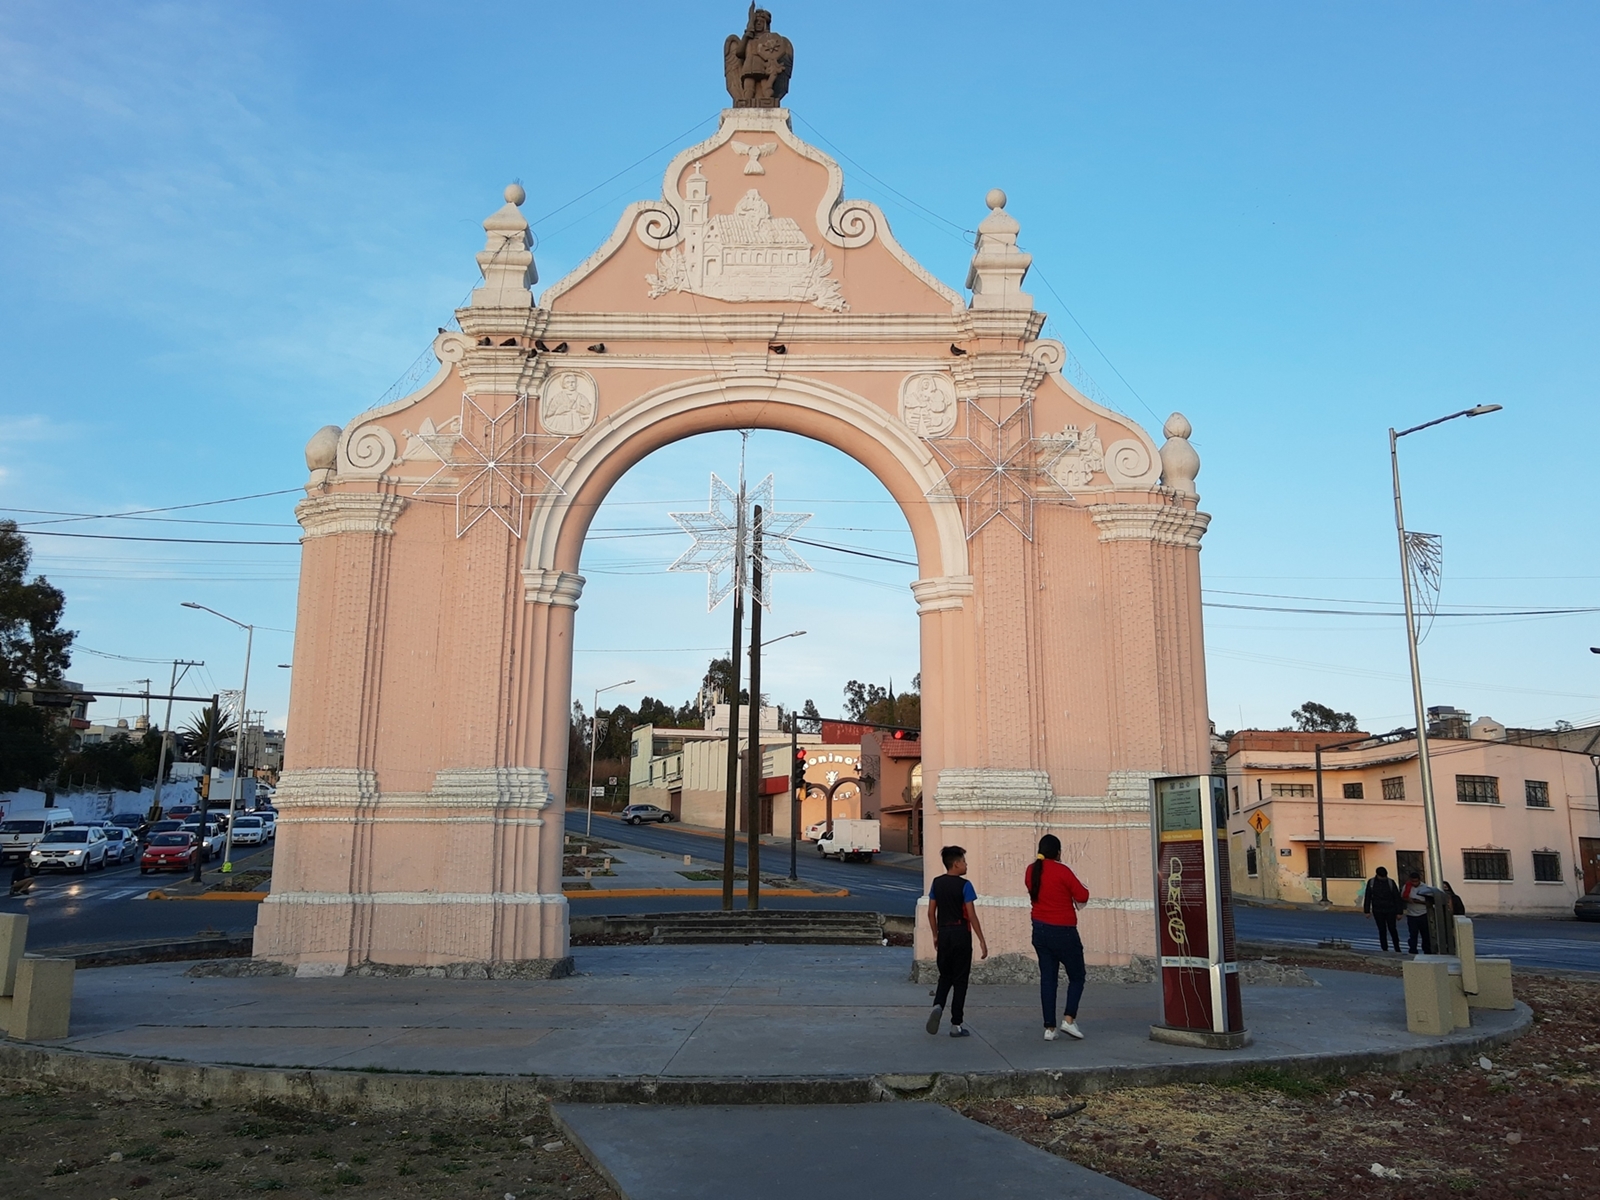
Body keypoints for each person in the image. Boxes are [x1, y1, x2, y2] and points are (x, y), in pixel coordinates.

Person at [1026, 834, 1091, 1041]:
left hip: (1039, 929)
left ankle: (1049, 1028)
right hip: (1064, 931)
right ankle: (1069, 1020)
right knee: (1077, 976)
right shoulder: (1062, 871)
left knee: (1048, 979)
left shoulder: (1031, 870)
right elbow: (1082, 896)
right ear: (1058, 852)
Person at [925, 845, 987, 1037]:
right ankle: (956, 1024)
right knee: (960, 981)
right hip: (961, 933)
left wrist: (935, 934)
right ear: (957, 864)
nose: (966, 865)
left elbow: (930, 912)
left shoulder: (937, 883)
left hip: (944, 934)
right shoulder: (965, 885)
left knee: (945, 976)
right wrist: (982, 940)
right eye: (964, 861)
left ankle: (938, 1005)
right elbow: (971, 915)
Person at [1363, 866, 1403, 952]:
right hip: (1378, 910)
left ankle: (1397, 947)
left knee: (1392, 929)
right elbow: (1368, 896)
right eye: (1382, 877)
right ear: (1377, 875)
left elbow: (1397, 897)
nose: (1383, 878)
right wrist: (1367, 911)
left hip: (1391, 909)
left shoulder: (1390, 882)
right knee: (1382, 930)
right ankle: (1384, 948)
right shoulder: (1372, 882)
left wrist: (1399, 912)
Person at [1401, 871, 1434, 954]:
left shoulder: (1425, 887)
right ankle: (1413, 949)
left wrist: (1418, 901)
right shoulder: (1407, 887)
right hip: (1411, 914)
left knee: (1425, 934)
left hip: (1423, 913)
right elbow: (1402, 897)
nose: (1414, 883)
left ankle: (1427, 949)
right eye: (1412, 881)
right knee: (1413, 934)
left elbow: (1429, 902)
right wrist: (1408, 899)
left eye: (1416, 881)